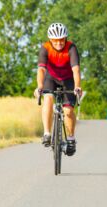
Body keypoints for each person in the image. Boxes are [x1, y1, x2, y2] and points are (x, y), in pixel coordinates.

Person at [34, 22, 82, 156]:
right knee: (48, 98)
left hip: (68, 80)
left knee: (68, 111)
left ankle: (71, 138)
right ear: (50, 40)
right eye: (55, 40)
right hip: (51, 78)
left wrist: (77, 86)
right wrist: (39, 86)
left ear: (65, 38)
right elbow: (41, 70)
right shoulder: (45, 48)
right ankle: (47, 133)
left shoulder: (71, 48)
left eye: (61, 40)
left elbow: (76, 70)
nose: (59, 43)